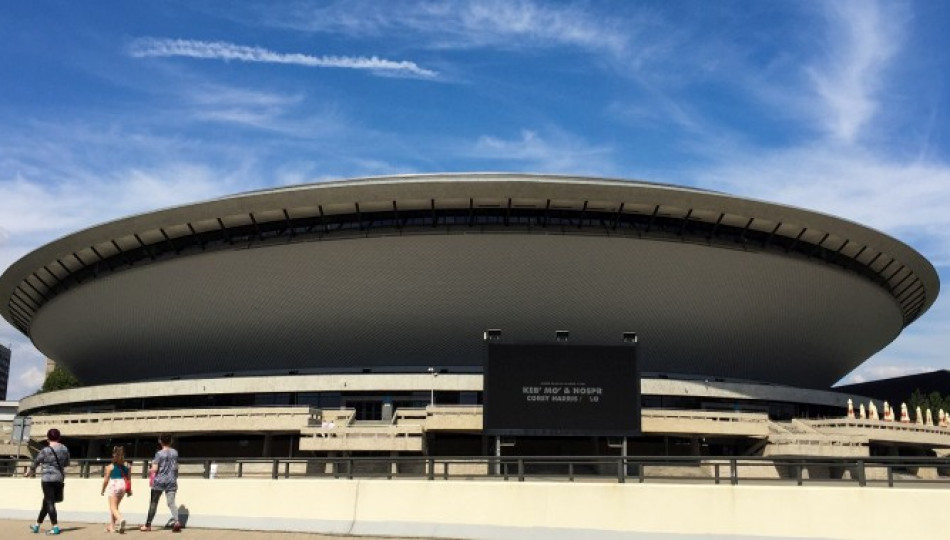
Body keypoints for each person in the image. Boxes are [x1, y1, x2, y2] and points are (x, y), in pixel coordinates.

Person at [25, 428, 70, 535]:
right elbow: (67, 463)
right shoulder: (64, 449)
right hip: (59, 477)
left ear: (48, 438)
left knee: (49, 502)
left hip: (47, 479)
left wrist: (30, 472)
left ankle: (55, 527)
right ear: (59, 437)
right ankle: (37, 525)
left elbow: (36, 462)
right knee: (46, 502)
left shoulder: (45, 450)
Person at [141, 434, 181, 532]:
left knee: (154, 503)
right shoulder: (175, 453)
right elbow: (176, 467)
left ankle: (148, 525)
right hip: (171, 480)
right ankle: (177, 521)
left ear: (160, 441)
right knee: (171, 502)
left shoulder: (159, 454)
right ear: (171, 441)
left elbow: (155, 469)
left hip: (159, 481)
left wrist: (149, 470)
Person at [100, 445, 131, 533]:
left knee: (112, 507)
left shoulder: (110, 466)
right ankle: (112, 526)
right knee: (115, 507)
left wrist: (102, 490)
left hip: (114, 485)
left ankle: (121, 519)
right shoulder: (128, 466)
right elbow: (129, 479)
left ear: (114, 454)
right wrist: (129, 490)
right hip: (123, 486)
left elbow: (106, 480)